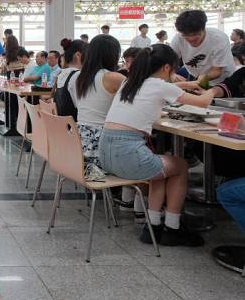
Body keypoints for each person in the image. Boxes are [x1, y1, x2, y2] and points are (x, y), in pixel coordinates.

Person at [99, 44, 214, 247]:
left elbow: (157, 96)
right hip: (127, 156)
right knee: (180, 166)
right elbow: (204, 102)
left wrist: (185, 85)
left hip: (106, 155)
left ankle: (152, 226)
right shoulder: (161, 86)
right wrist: (214, 89)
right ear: (167, 67)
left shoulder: (131, 83)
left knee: (160, 166)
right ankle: (172, 227)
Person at [75, 35, 125, 164]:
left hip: (78, 142)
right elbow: (140, 96)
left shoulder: (81, 77)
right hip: (102, 144)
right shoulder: (112, 77)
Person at [171, 10, 235, 85]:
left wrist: (195, 82)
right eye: (186, 34)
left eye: (195, 34)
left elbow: (217, 71)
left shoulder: (218, 39)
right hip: (196, 75)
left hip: (223, 79)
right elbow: (169, 62)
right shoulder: (178, 39)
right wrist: (172, 74)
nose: (191, 38)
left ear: (203, 29)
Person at [54, 39, 87, 119]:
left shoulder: (62, 74)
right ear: (78, 55)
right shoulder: (77, 75)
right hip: (75, 123)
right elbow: (82, 106)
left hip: (63, 122)